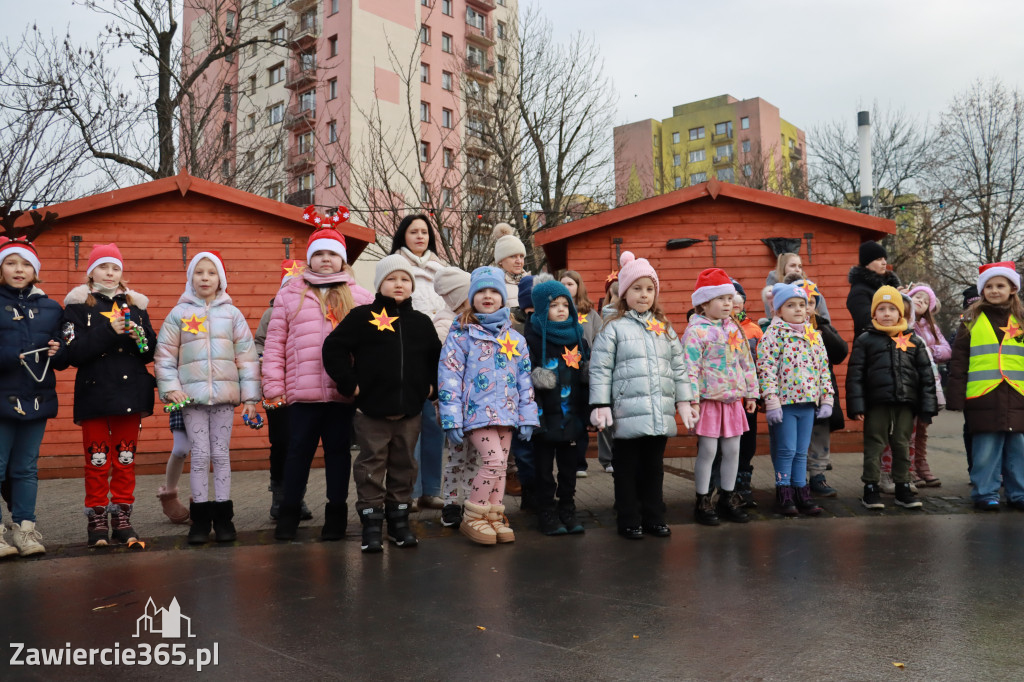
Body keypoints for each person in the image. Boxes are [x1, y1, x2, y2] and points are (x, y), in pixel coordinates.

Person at [262, 216, 372, 541]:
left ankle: (335, 515)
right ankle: (289, 513)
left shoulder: (361, 297)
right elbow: (274, 345)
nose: (326, 259)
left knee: (338, 455)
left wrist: (362, 386)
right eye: (320, 253)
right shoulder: (290, 295)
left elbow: (369, 349)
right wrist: (273, 388)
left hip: (342, 395)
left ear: (342, 259)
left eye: (333, 254)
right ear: (309, 258)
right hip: (301, 396)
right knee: (297, 454)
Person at [324, 255, 442, 552]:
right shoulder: (362, 317)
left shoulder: (421, 322)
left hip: (410, 412)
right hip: (371, 412)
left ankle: (399, 522)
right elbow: (333, 347)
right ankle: (372, 525)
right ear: (379, 284)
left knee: (404, 466)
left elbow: (436, 359)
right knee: (371, 467)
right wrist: (349, 384)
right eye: (392, 279)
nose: (399, 284)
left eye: (405, 279)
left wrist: (432, 387)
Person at [154, 251, 260, 544]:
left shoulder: (232, 314)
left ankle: (224, 520)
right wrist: (170, 388)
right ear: (191, 278)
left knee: (221, 455)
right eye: (199, 272)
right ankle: (199, 520)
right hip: (191, 399)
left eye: (211, 273)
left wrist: (250, 398)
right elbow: (164, 356)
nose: (205, 277)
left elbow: (247, 358)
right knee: (199, 455)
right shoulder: (179, 314)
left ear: (221, 279)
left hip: (225, 397)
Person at [589, 251, 694, 539]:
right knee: (625, 470)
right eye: (637, 288)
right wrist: (601, 404)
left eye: (649, 289)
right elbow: (600, 368)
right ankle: (629, 518)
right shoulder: (613, 328)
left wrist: (683, 401)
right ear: (624, 293)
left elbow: (679, 367)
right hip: (626, 415)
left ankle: (654, 517)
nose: (644, 295)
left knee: (654, 469)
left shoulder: (664, 328)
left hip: (658, 414)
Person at [62, 243, 157, 548]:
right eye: (104, 267)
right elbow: (74, 353)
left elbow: (149, 353)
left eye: (115, 267)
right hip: (94, 396)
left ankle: (123, 518)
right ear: (91, 271)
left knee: (125, 459)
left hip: (131, 394)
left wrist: (137, 336)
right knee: (98, 460)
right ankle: (97, 519)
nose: (110, 272)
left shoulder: (137, 306)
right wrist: (110, 330)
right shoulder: (77, 307)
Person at [437, 266, 539, 546]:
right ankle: (473, 513)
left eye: (494, 291)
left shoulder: (515, 338)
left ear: (503, 298)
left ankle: (493, 514)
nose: (488, 296)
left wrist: (528, 416)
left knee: (502, 465)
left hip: (507, 413)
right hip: (476, 414)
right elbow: (449, 378)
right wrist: (451, 419)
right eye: (481, 291)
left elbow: (524, 380)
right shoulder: (461, 334)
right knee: (492, 461)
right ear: (472, 297)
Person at [0, 238, 68, 557]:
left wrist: (59, 350)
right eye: (11, 262)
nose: (19, 269)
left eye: (26, 264)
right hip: (1, 399)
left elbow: (67, 347)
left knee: (26, 467)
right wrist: (17, 354)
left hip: (36, 397)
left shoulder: (52, 308)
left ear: (35, 271)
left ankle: (25, 529)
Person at [846, 286, 937, 510]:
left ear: (902, 313)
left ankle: (902, 486)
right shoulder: (866, 340)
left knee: (902, 443)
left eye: (892, 309)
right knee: (875, 443)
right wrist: (856, 404)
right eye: (881, 309)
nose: (887, 314)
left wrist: (927, 407)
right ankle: (870, 487)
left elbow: (926, 376)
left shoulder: (913, 340)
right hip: (876, 403)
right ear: (873, 314)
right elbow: (855, 374)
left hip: (906, 403)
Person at [681, 268, 759, 526]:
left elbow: (746, 362)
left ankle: (727, 497)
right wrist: (692, 401)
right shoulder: (696, 332)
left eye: (730, 298)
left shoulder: (735, 328)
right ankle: (703, 501)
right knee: (708, 451)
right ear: (704, 303)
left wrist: (751, 393)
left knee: (733, 449)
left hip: (733, 401)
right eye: (722, 299)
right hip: (709, 402)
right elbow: (689, 369)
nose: (728, 303)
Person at [947, 262, 1024, 511]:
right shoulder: (971, 319)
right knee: (985, 448)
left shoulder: (1021, 320)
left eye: (1000, 285)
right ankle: (985, 492)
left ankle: (1018, 493)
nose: (994, 290)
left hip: (1017, 395)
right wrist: (956, 397)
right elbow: (959, 360)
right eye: (988, 286)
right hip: (983, 396)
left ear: (1012, 288)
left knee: (1018, 448)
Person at [756, 283, 833, 516]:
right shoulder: (773, 335)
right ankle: (784, 492)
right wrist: (771, 400)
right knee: (786, 450)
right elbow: (766, 368)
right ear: (778, 310)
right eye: (791, 305)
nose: (799, 309)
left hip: (808, 404)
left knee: (801, 451)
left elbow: (823, 369)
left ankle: (802, 492)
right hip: (785, 405)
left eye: (802, 305)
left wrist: (827, 398)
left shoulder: (813, 336)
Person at [390, 214, 448, 511]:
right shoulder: (393, 267)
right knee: (407, 427)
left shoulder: (443, 269)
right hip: (404, 356)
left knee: (433, 423)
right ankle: (408, 492)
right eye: (414, 231)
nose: (420, 236)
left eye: (425, 231)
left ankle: (432, 490)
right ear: (403, 235)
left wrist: (438, 332)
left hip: (437, 353)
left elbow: (450, 307)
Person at [524, 279, 589, 535]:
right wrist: (533, 416)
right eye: (554, 305)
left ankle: (567, 508)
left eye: (565, 304)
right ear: (541, 308)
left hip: (571, 417)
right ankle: (546, 511)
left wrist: (587, 414)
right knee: (543, 471)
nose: (562, 309)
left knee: (569, 469)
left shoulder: (579, 340)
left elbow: (585, 384)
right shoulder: (531, 340)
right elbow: (525, 384)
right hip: (543, 418)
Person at [252, 259, 312, 521]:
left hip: (303, 387)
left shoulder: (310, 310)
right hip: (276, 389)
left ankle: (297, 497)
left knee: (302, 444)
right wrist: (262, 357)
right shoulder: (271, 313)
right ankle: (279, 496)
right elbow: (258, 343)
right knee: (281, 443)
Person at [789, 278, 847, 498]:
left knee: (820, 435)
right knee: (797, 438)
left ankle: (818, 476)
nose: (805, 308)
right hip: (795, 393)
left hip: (821, 393)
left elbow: (840, 353)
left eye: (810, 303)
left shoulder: (823, 326)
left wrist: (823, 329)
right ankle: (797, 479)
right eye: (801, 302)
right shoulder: (782, 329)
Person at [431, 267, 477, 529]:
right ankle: (450, 503)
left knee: (474, 458)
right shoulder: (445, 324)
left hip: (479, 404)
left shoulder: (480, 320)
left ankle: (471, 499)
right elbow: (445, 368)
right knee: (457, 457)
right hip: (456, 403)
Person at [906, 283, 951, 487]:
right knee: (908, 429)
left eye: (925, 301)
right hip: (909, 382)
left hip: (927, 384)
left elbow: (946, 350)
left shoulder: (930, 327)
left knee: (922, 427)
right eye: (917, 297)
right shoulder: (904, 322)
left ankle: (921, 464)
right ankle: (908, 467)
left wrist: (928, 351)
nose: (920, 302)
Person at [731, 281, 763, 507]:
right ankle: (725, 487)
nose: (733, 301)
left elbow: (761, 364)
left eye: (737, 297)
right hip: (728, 400)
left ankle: (743, 485)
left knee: (747, 444)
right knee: (727, 446)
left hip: (748, 401)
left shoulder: (754, 330)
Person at [847, 241, 901, 337]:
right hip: (870, 346)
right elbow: (867, 322)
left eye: (885, 259)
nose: (884, 263)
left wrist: (902, 299)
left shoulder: (890, 287)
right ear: (866, 264)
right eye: (879, 259)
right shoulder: (858, 291)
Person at [761, 252, 831, 321]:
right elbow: (771, 317)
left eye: (800, 266)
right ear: (783, 268)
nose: (797, 270)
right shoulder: (772, 294)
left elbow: (824, 315)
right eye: (793, 266)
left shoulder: (809, 288)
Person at [595, 277, 620, 474]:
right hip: (607, 375)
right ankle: (606, 458)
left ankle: (618, 455)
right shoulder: (603, 316)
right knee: (605, 418)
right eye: (615, 291)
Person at [157, 409, 191, 524]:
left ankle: (199, 501)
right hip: (182, 402)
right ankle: (169, 495)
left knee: (203, 452)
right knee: (180, 449)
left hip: (210, 400)